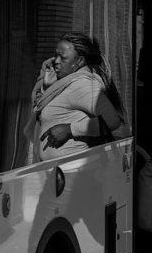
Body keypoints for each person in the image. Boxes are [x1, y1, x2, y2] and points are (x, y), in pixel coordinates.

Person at [24, 32, 126, 161]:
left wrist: (69, 129)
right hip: (58, 172)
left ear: (80, 61)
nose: (55, 61)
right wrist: (47, 88)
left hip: (75, 172)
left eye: (63, 57)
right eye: (55, 56)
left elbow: (112, 120)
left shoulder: (83, 84)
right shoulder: (63, 84)